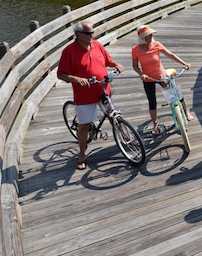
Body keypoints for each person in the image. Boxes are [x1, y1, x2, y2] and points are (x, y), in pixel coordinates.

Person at [57, 20, 125, 170]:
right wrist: (76, 78)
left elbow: (108, 60)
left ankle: (126, 138)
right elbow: (61, 74)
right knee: (84, 126)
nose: (92, 35)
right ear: (78, 34)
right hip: (84, 94)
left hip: (103, 89)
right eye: (88, 33)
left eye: (93, 32)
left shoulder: (97, 45)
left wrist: (116, 65)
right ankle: (81, 153)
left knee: (113, 115)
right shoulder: (69, 51)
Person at [131, 24, 192, 135]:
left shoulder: (156, 44)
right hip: (148, 78)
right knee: (152, 101)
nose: (151, 37)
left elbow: (170, 55)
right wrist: (141, 74)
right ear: (142, 37)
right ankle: (155, 124)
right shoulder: (135, 50)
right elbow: (135, 66)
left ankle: (186, 113)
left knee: (176, 95)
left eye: (151, 35)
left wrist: (184, 63)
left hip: (161, 75)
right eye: (148, 35)